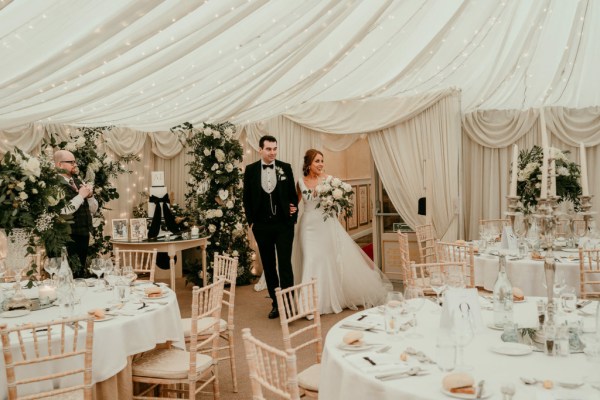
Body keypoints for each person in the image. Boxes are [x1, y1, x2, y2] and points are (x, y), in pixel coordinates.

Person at [294, 149, 391, 315]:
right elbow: (295, 204)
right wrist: (290, 209)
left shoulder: (330, 180)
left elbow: (341, 200)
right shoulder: (300, 182)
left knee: (327, 261)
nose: (321, 164)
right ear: (308, 164)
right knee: (310, 259)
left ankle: (329, 300)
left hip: (326, 226)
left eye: (322, 161)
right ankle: (309, 304)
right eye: (317, 161)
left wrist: (334, 204)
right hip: (308, 227)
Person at [243, 135, 298, 319]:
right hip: (262, 227)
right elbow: (247, 198)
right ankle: (276, 304)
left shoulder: (285, 167)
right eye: (268, 149)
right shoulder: (250, 170)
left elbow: (292, 196)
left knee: (285, 265)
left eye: (275, 148)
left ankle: (289, 305)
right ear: (260, 150)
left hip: (283, 226)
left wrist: (293, 215)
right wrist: (251, 222)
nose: (272, 152)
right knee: (269, 266)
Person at [54, 150, 98, 275]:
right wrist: (81, 195)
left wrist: (89, 196)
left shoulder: (78, 182)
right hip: (67, 236)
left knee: (79, 272)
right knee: (67, 274)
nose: (75, 165)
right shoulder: (55, 184)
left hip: (83, 234)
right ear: (59, 165)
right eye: (70, 162)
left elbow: (93, 209)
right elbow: (63, 211)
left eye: (75, 162)